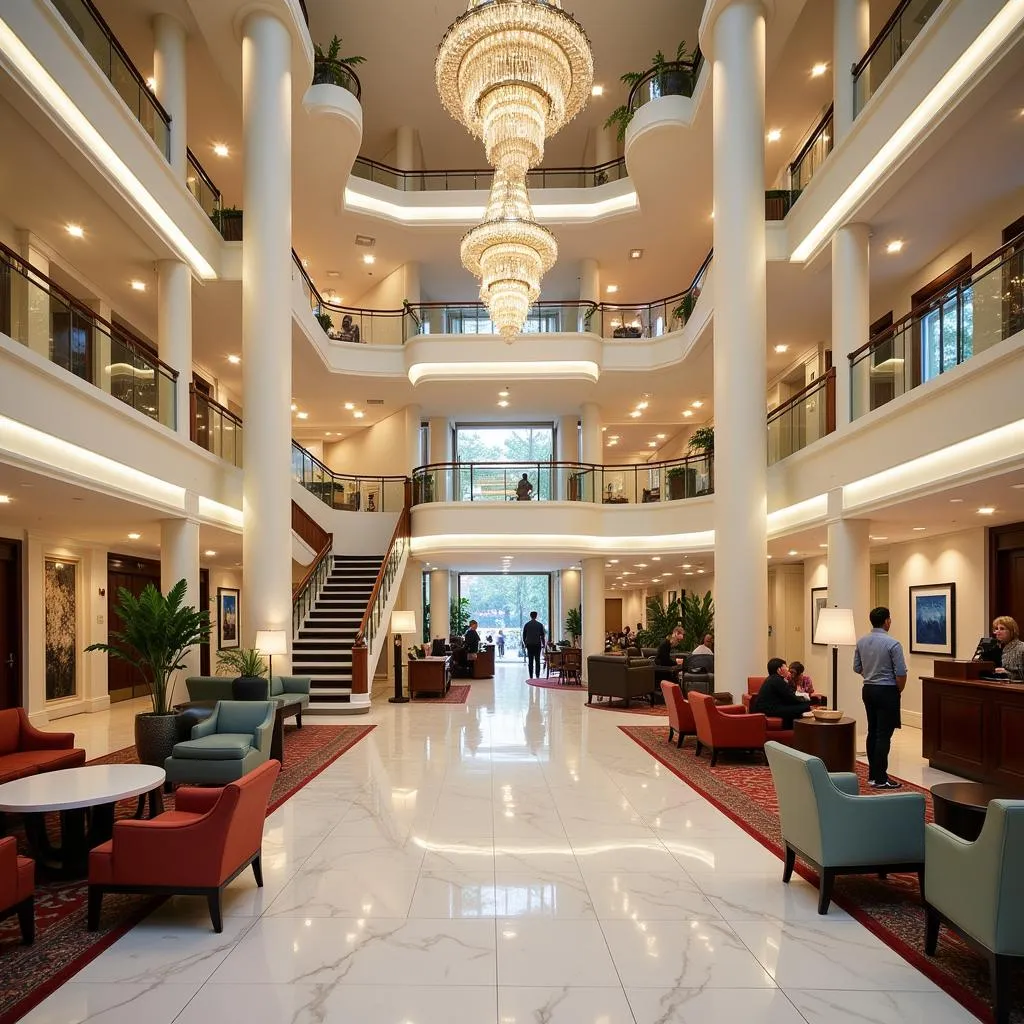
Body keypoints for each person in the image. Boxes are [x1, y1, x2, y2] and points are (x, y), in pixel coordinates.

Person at [854, 606, 908, 789]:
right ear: (886, 621)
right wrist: (897, 689)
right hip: (887, 690)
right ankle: (881, 778)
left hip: (868, 689)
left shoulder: (862, 641)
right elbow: (901, 672)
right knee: (884, 735)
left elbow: (856, 667)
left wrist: (870, 675)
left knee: (872, 731)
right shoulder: (893, 643)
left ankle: (873, 775)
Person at [754, 658, 813, 726]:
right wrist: (805, 701)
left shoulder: (772, 679)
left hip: (768, 709)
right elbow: (791, 698)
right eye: (785, 666)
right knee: (805, 706)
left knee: (802, 705)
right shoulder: (777, 680)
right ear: (779, 670)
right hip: (770, 710)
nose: (787, 669)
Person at [654, 626, 686, 695]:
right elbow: (665, 661)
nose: (678, 642)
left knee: (675, 676)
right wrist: (676, 662)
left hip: (662, 668)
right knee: (674, 679)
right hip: (660, 670)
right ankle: (679, 696)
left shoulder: (667, 644)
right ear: (675, 634)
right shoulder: (665, 644)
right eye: (678, 640)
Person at [991, 616, 1024, 680]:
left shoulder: (1022, 648)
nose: (997, 632)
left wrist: (1007, 674)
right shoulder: (995, 648)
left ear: (1012, 631)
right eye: (996, 629)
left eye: (1002, 629)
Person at [522, 611, 546, 679]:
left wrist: (525, 643)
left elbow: (524, 635)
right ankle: (537, 675)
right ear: (536, 616)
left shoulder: (527, 625)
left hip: (529, 645)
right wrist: (543, 644)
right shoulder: (540, 625)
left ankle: (531, 676)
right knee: (537, 660)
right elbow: (542, 636)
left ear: (530, 616)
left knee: (530, 660)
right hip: (537, 645)